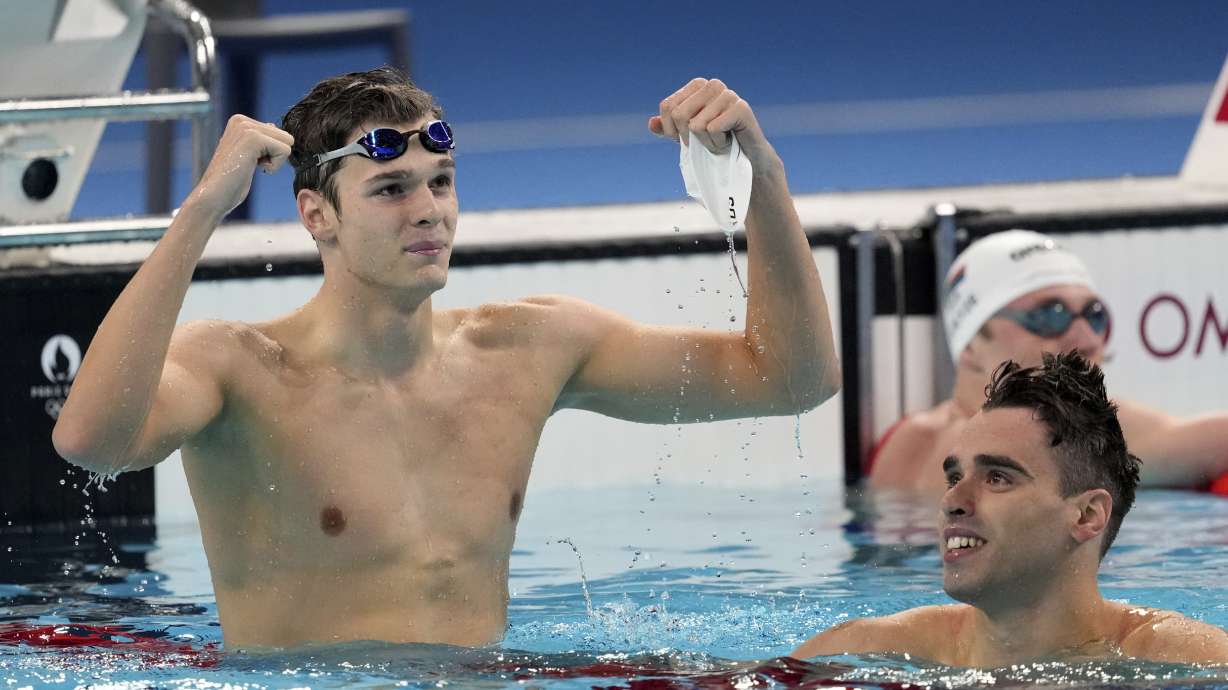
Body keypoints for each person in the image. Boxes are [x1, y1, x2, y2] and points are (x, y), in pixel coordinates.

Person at [51, 69, 840, 649]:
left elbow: (790, 379)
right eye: (391, 189)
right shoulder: (237, 369)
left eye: (441, 182)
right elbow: (89, 440)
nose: (429, 209)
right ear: (317, 216)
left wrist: (761, 176)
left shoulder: (529, 347)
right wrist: (200, 212)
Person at [795, 352, 1228, 666]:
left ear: (1087, 515)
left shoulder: (1182, 659)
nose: (952, 501)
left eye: (997, 478)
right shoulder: (871, 651)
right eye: (954, 477)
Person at [869, 229, 1228, 493]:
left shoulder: (903, 442)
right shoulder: (1057, 430)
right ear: (970, 346)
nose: (1085, 338)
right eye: (1050, 315)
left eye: (1094, 314)